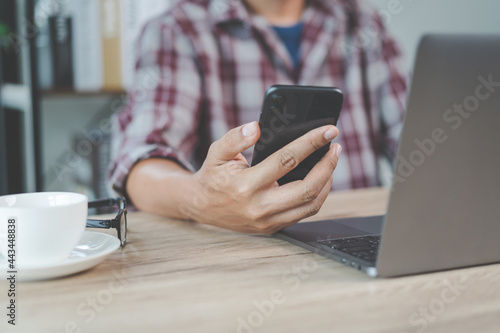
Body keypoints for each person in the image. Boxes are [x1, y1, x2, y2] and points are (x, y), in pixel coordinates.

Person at [108, 0, 407, 234]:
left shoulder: (363, 22)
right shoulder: (177, 29)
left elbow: (417, 138)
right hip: (242, 256)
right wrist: (200, 198)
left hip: (359, 240)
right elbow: (140, 162)